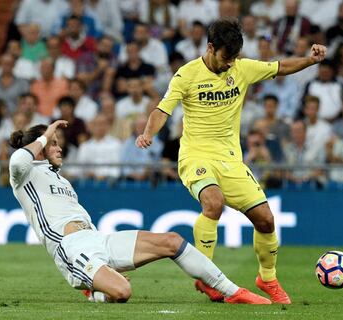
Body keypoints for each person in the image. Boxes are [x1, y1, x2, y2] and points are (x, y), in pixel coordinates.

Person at [136, 18, 328, 304]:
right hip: (196, 155)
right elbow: (163, 109)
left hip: (230, 160)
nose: (230, 64)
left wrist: (310, 61)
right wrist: (148, 133)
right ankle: (206, 277)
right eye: (227, 57)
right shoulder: (186, 75)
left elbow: (280, 67)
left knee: (265, 219)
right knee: (213, 204)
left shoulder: (241, 68)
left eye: (235, 57)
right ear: (211, 47)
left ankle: (267, 277)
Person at [8, 120, 271, 304]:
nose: (59, 147)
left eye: (57, 142)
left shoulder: (61, 180)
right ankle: (97, 289)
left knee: (172, 241)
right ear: (40, 148)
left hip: (97, 239)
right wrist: (46, 133)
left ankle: (232, 291)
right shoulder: (25, 174)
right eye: (53, 143)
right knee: (123, 292)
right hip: (72, 250)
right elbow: (18, 159)